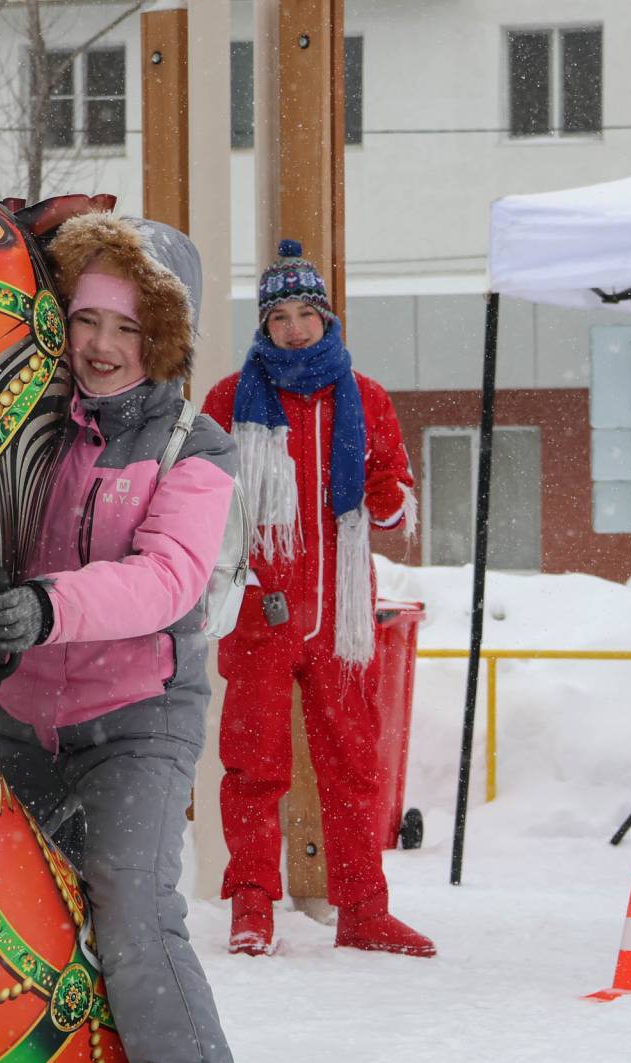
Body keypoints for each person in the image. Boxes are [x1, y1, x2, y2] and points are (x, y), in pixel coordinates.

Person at [0, 211, 254, 1063]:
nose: (99, 346)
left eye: (126, 331)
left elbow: (168, 578)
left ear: (164, 342)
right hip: (22, 713)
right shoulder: (34, 421)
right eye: (85, 319)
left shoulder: (197, 444)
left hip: (136, 714)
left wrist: (49, 605)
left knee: (135, 919)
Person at [202, 239, 430, 959]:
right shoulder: (227, 401)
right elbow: (202, 509)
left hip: (342, 618)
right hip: (260, 614)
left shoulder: (366, 399)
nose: (295, 328)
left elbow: (396, 510)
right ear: (263, 326)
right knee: (252, 768)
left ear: (327, 317)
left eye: (307, 313)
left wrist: (389, 498)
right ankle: (251, 906)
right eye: (281, 317)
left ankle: (364, 909)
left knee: (355, 766)